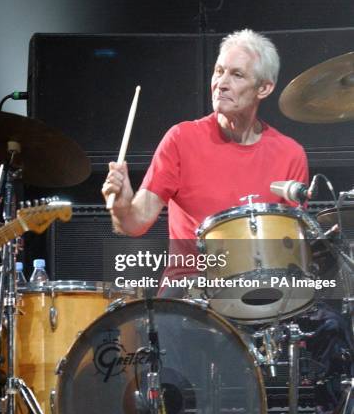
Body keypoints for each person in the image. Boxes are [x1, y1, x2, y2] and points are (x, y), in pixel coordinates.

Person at [102, 29, 308, 294]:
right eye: (218, 71)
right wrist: (120, 208)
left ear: (264, 88)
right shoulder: (181, 139)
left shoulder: (290, 154)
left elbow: (291, 251)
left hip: (260, 291)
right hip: (190, 289)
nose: (221, 83)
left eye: (236, 75)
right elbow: (134, 223)